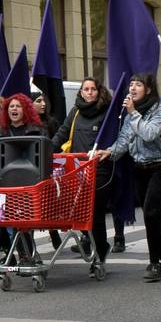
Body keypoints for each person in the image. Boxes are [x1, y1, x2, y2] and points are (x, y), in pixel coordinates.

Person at [92, 73, 161, 281]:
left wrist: (133, 113)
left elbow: (149, 134)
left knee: (150, 210)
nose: (133, 88)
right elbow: (124, 140)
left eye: (138, 84)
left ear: (148, 89)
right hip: (140, 169)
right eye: (131, 84)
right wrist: (109, 152)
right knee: (153, 216)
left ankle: (154, 262)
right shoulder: (131, 114)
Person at [53, 77, 114, 278]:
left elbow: (113, 136)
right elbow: (63, 131)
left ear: (98, 91)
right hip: (78, 170)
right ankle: (98, 244)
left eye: (92, 89)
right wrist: (47, 149)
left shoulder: (106, 112)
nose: (89, 92)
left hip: (100, 170)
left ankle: (98, 255)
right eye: (85, 89)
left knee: (94, 213)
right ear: (80, 92)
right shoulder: (76, 111)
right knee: (80, 213)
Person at [0, 93, 49, 260]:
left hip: (32, 184)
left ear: (26, 110)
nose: (13, 109)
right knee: (9, 218)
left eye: (18, 106)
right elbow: (0, 159)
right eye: (10, 107)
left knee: (22, 221)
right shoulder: (4, 132)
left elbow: (45, 156)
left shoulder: (38, 129)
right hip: (8, 183)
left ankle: (22, 254)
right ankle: (23, 254)